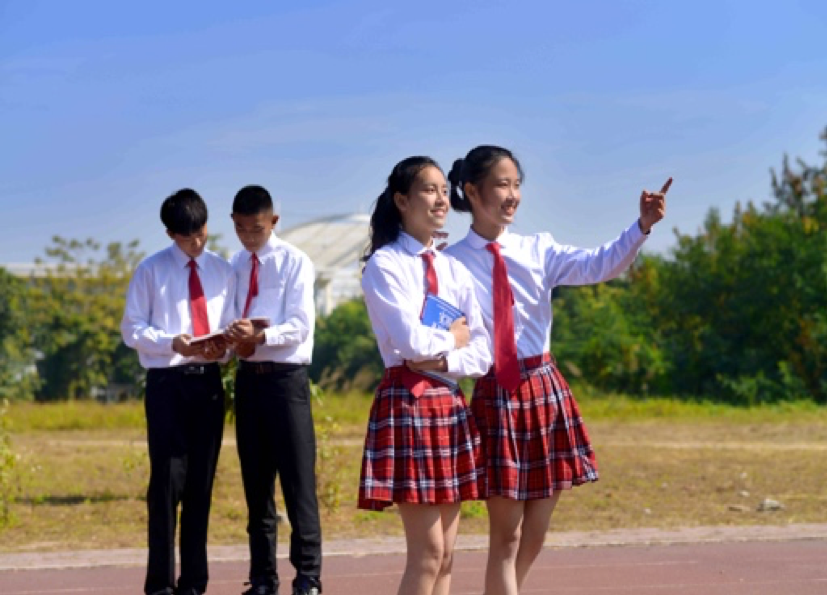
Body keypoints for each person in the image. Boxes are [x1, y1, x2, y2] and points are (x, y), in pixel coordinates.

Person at [444, 145, 669, 595]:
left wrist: (641, 226)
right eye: (502, 185)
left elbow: (599, 264)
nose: (512, 195)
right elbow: (443, 330)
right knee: (505, 536)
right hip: (495, 392)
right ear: (472, 191)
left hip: (544, 390)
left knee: (536, 532)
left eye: (517, 185)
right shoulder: (450, 262)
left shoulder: (537, 248)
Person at [358, 156, 492, 595]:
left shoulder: (454, 268)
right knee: (429, 553)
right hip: (409, 403)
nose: (440, 200)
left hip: (449, 403)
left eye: (443, 191)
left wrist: (444, 360)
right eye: (429, 190)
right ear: (402, 200)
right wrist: (454, 339)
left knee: (447, 557)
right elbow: (410, 343)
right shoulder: (385, 264)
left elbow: (483, 353)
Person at [121, 188, 236, 595]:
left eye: (201, 233)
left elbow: (231, 325)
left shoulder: (224, 271)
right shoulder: (150, 271)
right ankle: (160, 584)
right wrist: (172, 342)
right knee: (166, 485)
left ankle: (194, 582)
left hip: (208, 383)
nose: (197, 243)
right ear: (171, 234)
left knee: (201, 485)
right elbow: (132, 329)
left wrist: (225, 347)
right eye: (187, 238)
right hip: (168, 384)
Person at [224, 185, 322, 595]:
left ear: (274, 222)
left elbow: (300, 325)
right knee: (256, 484)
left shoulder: (294, 261)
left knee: (298, 484)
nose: (249, 237)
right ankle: (263, 578)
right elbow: (228, 317)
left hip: (286, 382)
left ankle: (308, 577)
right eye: (241, 229)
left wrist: (260, 336)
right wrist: (231, 339)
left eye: (257, 229)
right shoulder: (233, 265)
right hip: (249, 380)